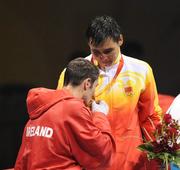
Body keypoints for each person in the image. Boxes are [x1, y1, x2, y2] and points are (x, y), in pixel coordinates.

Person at [57, 15, 162, 170]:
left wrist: (156, 157)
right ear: (89, 45)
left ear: (120, 40)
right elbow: (62, 120)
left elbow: (150, 116)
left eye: (108, 51)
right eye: (96, 52)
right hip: (90, 161)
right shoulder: (71, 74)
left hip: (132, 160)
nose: (102, 57)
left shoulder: (141, 70)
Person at [14, 58, 116, 170]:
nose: (93, 94)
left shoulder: (39, 108)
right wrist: (100, 115)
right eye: (95, 87)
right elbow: (102, 154)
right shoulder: (74, 108)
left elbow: (21, 163)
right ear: (87, 84)